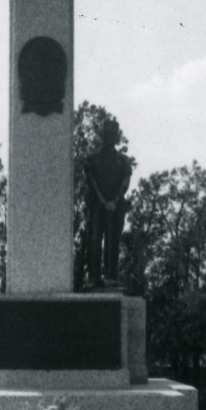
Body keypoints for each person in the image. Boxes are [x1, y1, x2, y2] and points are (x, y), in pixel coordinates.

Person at [84, 119, 133, 287]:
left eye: (112, 134)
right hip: (98, 206)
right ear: (102, 135)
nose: (109, 137)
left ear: (116, 137)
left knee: (113, 240)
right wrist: (105, 202)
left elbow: (125, 182)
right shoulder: (92, 159)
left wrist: (114, 201)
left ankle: (112, 277)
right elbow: (92, 182)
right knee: (95, 239)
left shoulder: (123, 161)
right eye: (107, 134)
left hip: (116, 207)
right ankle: (93, 277)